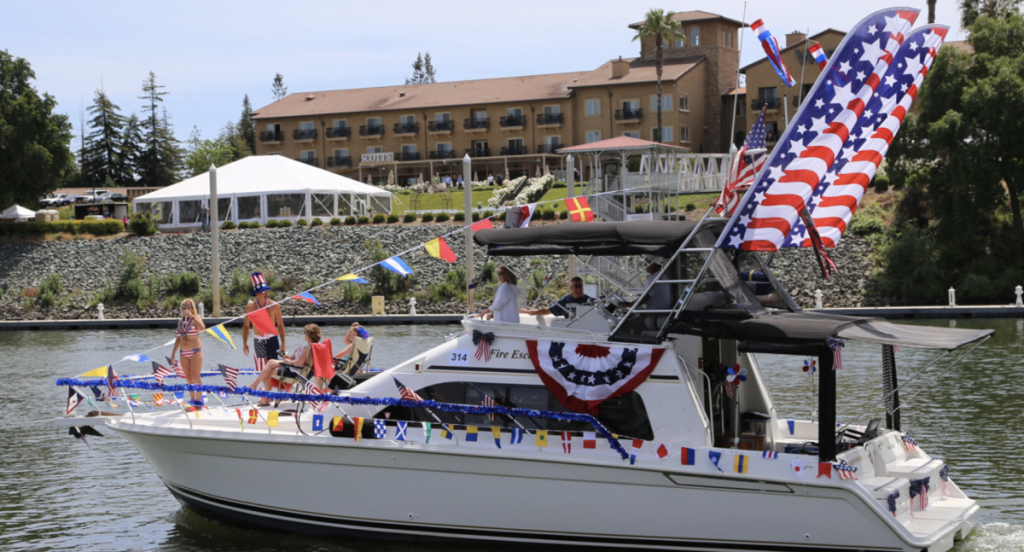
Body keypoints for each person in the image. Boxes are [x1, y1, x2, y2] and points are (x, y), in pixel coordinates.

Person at [249, 323, 321, 405]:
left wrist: (288, 361)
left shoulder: (310, 347)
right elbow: (301, 361)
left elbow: (297, 363)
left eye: (304, 332)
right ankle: (260, 392)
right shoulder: (315, 346)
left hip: (296, 373)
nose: (304, 334)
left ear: (309, 334)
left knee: (268, 369)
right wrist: (290, 358)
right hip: (300, 371)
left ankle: (259, 391)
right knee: (270, 363)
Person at [242, 272, 287, 386]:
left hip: (272, 340)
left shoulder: (274, 305)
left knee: (274, 370)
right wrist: (245, 343)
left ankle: (275, 395)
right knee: (262, 370)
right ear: (257, 294)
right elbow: (246, 326)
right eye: (264, 291)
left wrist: (283, 343)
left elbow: (280, 325)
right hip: (258, 341)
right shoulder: (250, 307)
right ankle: (266, 396)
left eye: (268, 291)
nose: (267, 293)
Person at [170, 298, 205, 407]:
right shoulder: (180, 321)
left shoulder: (196, 318)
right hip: (183, 352)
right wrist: (173, 355)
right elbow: (178, 338)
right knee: (189, 378)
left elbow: (202, 328)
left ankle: (199, 402)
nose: (186, 308)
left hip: (195, 350)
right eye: (184, 306)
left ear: (193, 308)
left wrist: (192, 316)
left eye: (189, 306)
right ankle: (193, 401)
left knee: (195, 376)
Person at [520, 277, 592, 318]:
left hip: (586, 330)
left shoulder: (589, 300)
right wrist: (528, 311)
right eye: (576, 286)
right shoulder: (565, 300)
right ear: (571, 288)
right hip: (571, 331)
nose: (579, 289)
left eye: (581, 286)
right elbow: (548, 310)